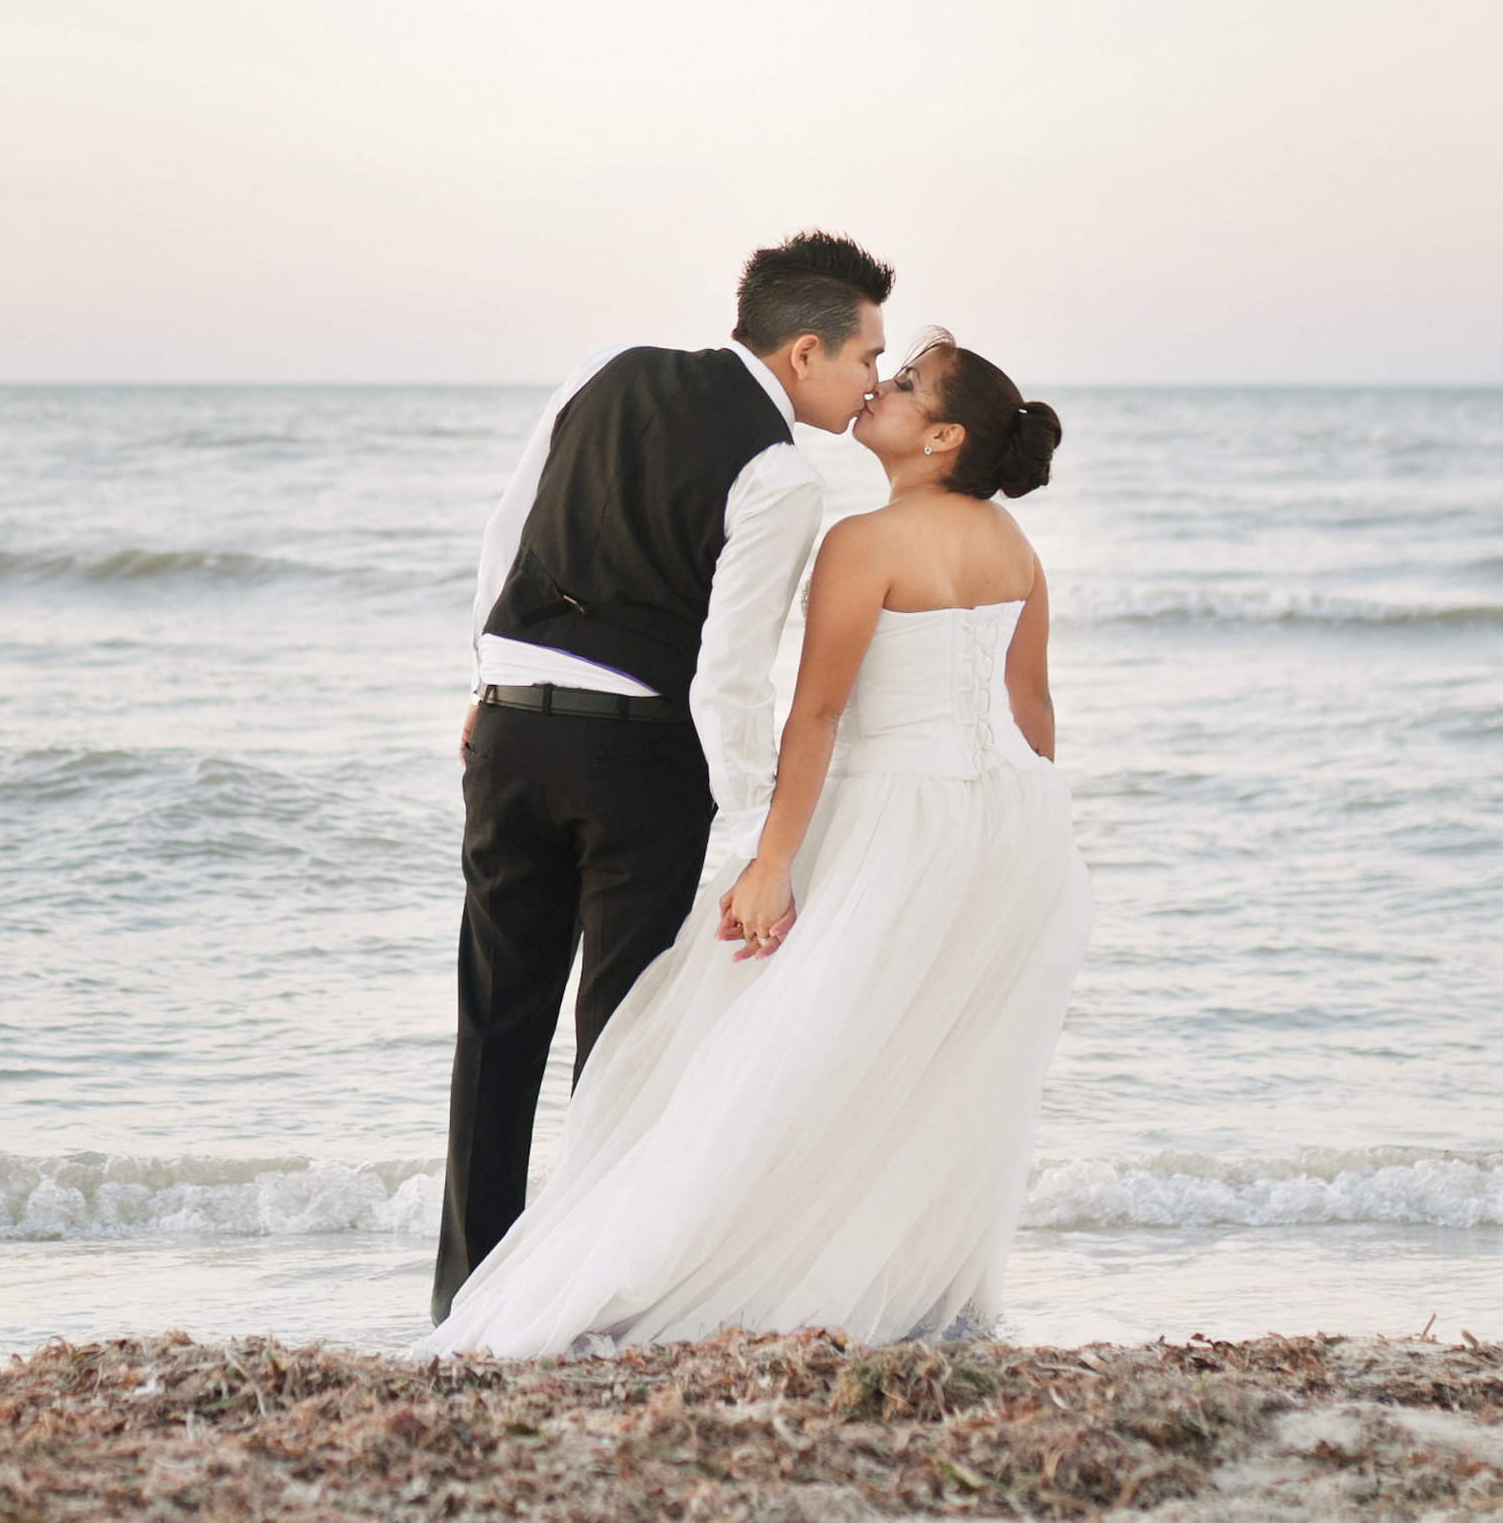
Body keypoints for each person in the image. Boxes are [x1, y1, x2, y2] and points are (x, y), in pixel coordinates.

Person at [425, 333, 1089, 1355]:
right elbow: (1031, 704)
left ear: (944, 436)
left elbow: (814, 719)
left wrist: (770, 861)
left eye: (905, 384)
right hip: (1003, 820)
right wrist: (1037, 836)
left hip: (889, 817)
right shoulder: (1015, 550)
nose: (881, 385)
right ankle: (891, 1278)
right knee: (913, 1061)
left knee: (741, 1036)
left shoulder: (863, 541)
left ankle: (662, 1259)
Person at [432, 231, 894, 1322]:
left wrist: (488, 672)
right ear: (803, 353)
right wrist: (757, 838)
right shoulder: (780, 473)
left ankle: (465, 1301)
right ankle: (579, 1294)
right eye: (866, 357)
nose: (873, 379)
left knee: (495, 1024)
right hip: (638, 757)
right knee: (622, 1040)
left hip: (508, 733)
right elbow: (727, 675)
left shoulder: (607, 369)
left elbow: (508, 531)